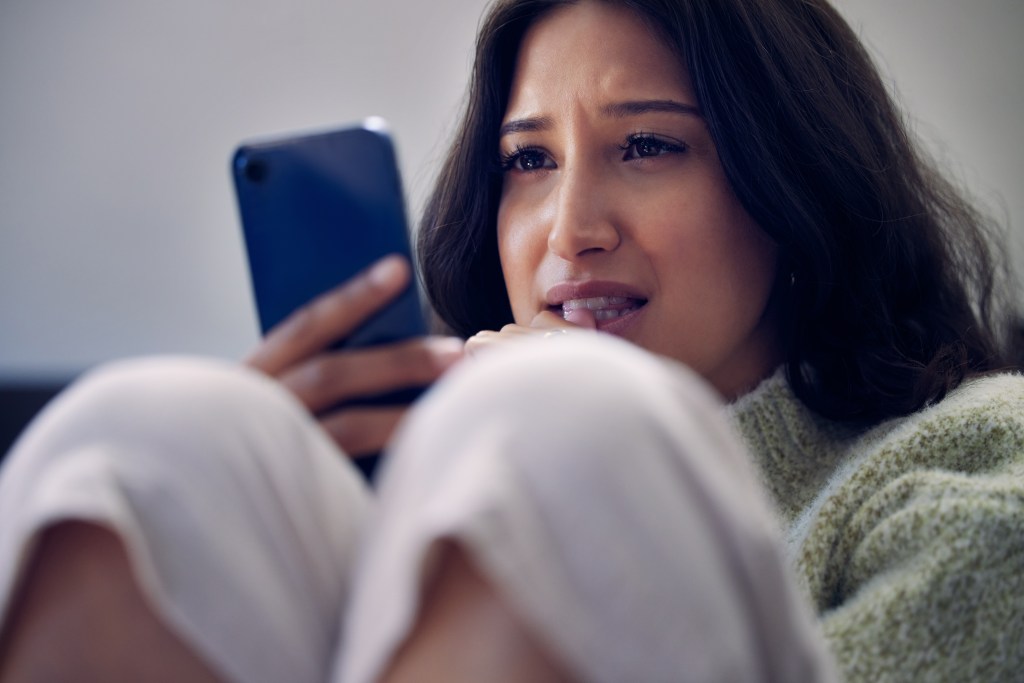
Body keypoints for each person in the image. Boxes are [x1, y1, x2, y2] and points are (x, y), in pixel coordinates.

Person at [0, 0, 1020, 681]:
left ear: (792, 180)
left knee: (563, 420)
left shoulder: (977, 450)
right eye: (527, 159)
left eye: (649, 144)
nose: (569, 225)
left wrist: (545, 452)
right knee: (157, 433)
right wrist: (340, 515)